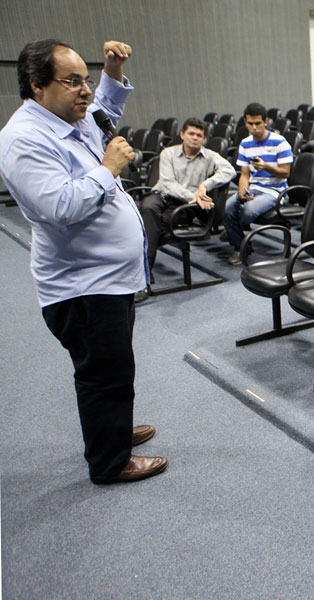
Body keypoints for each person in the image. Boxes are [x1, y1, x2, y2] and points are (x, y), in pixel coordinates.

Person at [0, 38, 167, 484]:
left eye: (85, 79)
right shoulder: (24, 140)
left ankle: (113, 432)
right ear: (37, 85)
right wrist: (109, 167)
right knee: (102, 375)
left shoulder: (68, 118)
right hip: (83, 287)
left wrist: (112, 71)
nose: (85, 90)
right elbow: (59, 206)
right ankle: (109, 463)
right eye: (71, 81)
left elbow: (104, 112)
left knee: (114, 366)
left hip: (106, 279)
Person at [140, 117, 235, 296]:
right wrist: (195, 196)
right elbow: (167, 184)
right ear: (182, 135)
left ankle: (142, 278)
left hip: (184, 205)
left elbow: (229, 170)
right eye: (191, 134)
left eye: (199, 135)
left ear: (204, 139)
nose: (195, 138)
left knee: (149, 226)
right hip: (162, 196)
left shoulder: (210, 156)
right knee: (148, 209)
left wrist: (205, 185)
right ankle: (142, 275)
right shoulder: (168, 153)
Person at [223, 103, 293, 265]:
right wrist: (242, 190)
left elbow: (285, 173)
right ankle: (241, 247)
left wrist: (266, 166)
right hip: (254, 187)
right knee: (227, 208)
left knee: (248, 210)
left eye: (257, 124)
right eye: (250, 124)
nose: (254, 128)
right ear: (245, 123)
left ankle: (234, 232)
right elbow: (245, 174)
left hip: (275, 191)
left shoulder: (279, 142)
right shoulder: (245, 144)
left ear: (265, 121)